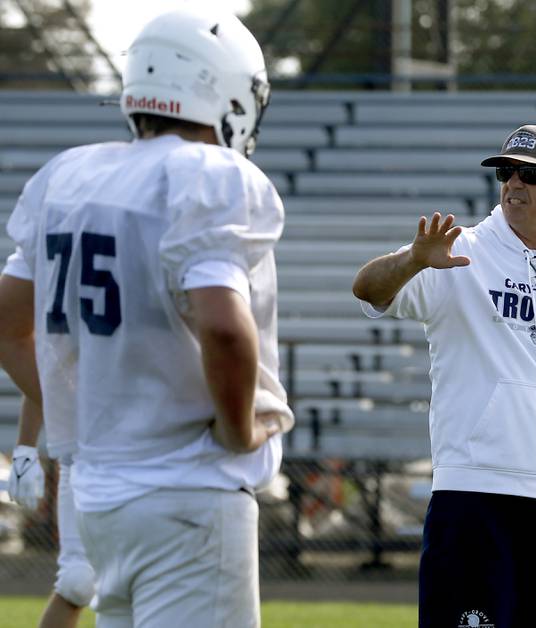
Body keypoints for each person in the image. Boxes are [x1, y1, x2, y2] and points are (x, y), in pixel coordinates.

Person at [0, 8, 294, 627]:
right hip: (189, 494)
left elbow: (8, 326)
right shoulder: (213, 176)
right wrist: (240, 431)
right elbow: (220, 324)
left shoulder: (70, 175)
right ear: (226, 89)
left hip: (103, 501)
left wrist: (73, 408)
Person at [353, 125, 536, 628]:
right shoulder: (458, 250)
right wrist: (413, 260)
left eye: (532, 174)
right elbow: (367, 289)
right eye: (507, 171)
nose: (514, 184)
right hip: (472, 495)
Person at [6, 396, 94, 628]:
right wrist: (25, 449)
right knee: (77, 581)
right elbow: (39, 374)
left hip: (154, 458)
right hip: (81, 458)